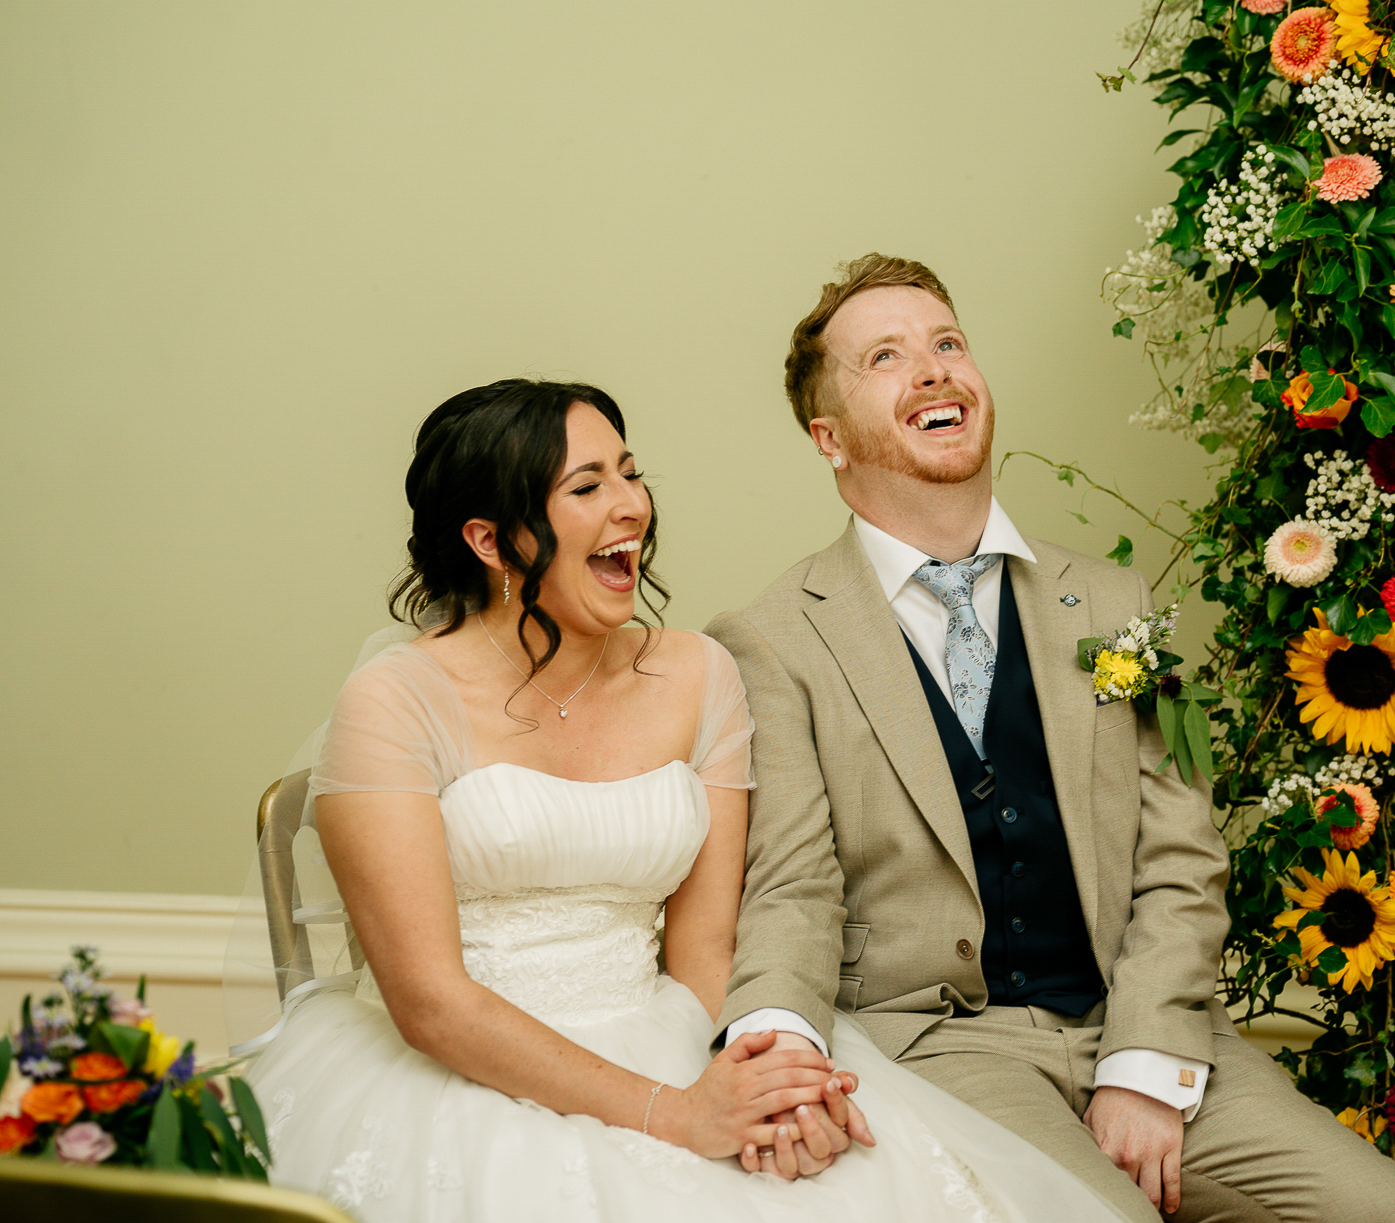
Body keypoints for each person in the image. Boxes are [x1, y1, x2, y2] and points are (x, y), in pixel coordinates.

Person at [240, 378, 1127, 1221]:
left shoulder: (699, 674)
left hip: (675, 1029)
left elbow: (707, 954)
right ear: (491, 541)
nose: (632, 505)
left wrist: (759, 1090)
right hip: (460, 1068)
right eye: (587, 486)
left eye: (630, 474)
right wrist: (671, 1114)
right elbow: (430, 1002)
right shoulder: (394, 701)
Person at [705, 255, 1395, 1223]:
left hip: (1125, 1014)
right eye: (886, 356)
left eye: (947, 343)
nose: (932, 369)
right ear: (828, 437)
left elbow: (1181, 854)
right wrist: (776, 1042)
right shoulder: (773, 637)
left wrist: (1144, 1062)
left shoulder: (1113, 600)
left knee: (1375, 1207)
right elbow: (791, 883)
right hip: (936, 1039)